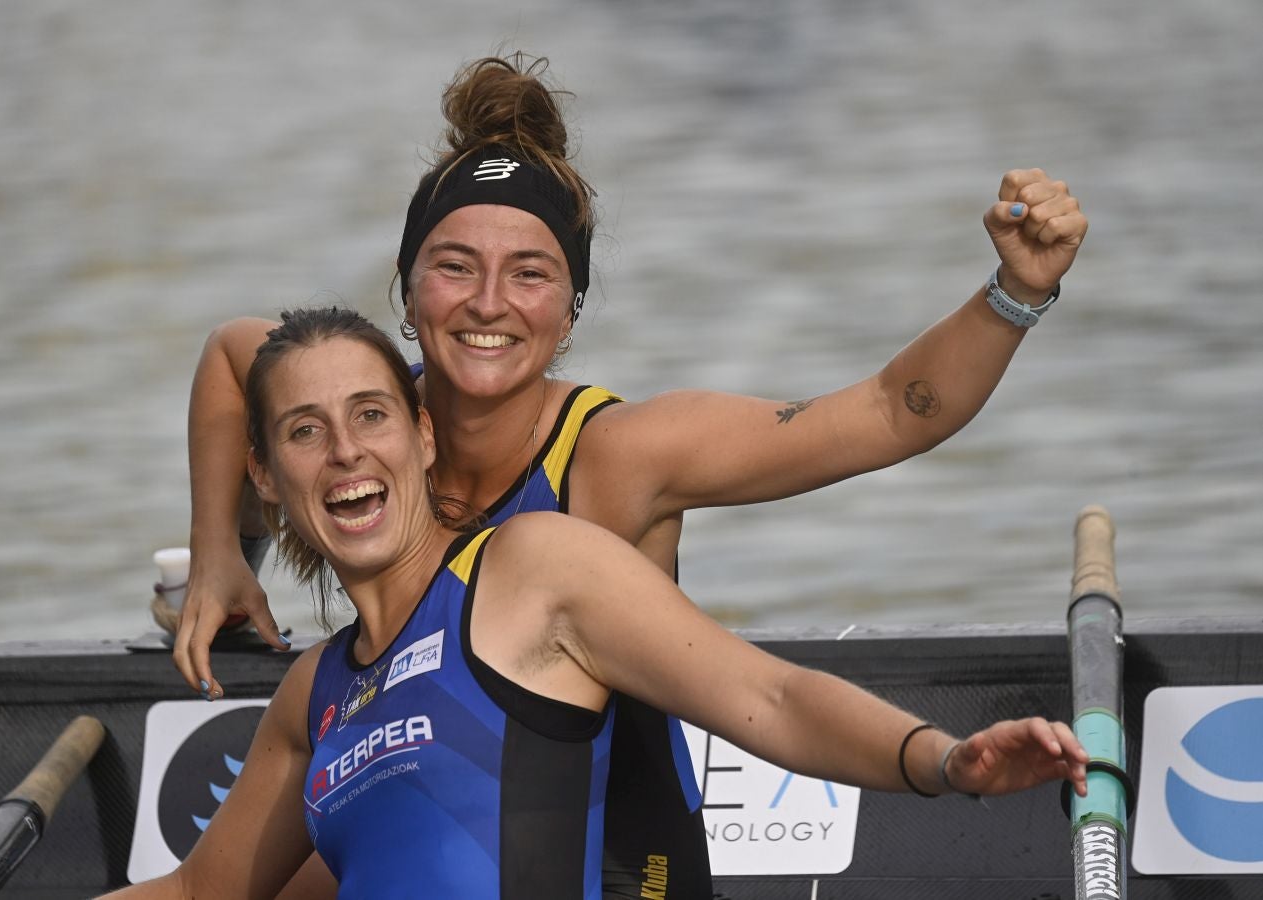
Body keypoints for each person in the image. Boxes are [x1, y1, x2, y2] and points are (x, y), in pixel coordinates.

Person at [174, 54, 1087, 898]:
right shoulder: (356, 407)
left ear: (568, 312)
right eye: (454, 268)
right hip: (436, 792)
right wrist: (224, 556)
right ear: (407, 293)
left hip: (625, 854)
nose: (487, 302)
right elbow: (228, 358)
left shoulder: (622, 454)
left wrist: (1015, 293)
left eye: (528, 275)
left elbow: (893, 409)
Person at [112, 309, 1088, 899]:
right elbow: (200, 889)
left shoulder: (541, 568)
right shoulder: (313, 694)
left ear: (418, 433)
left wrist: (944, 759)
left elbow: (776, 701)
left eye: (370, 418)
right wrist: (219, 557)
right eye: (306, 432)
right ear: (268, 474)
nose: (346, 451)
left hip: (641, 854)